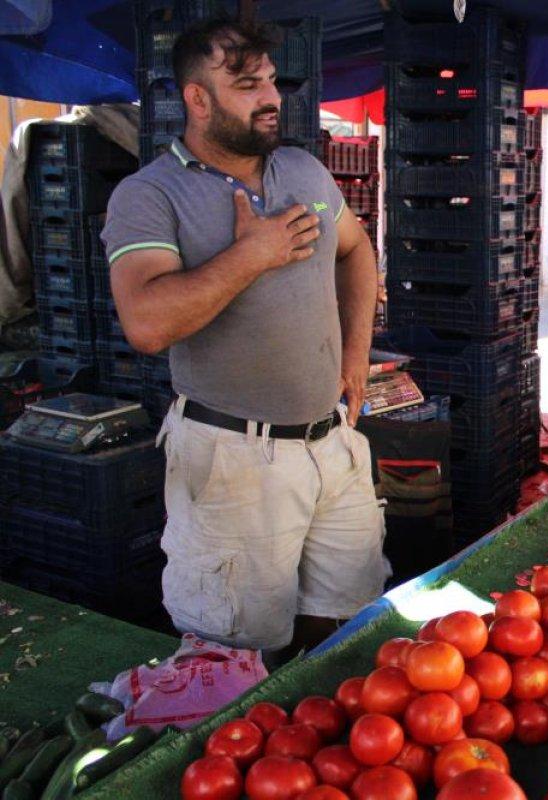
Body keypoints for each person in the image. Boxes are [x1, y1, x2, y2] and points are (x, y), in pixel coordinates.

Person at [101, 18, 388, 656]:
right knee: (235, 655)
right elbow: (146, 323)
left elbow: (357, 250)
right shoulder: (149, 195)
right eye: (247, 84)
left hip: (332, 445)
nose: (271, 98)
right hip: (233, 459)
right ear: (197, 99)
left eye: (270, 82)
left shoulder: (304, 171)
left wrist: (356, 356)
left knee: (345, 626)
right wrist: (251, 256)